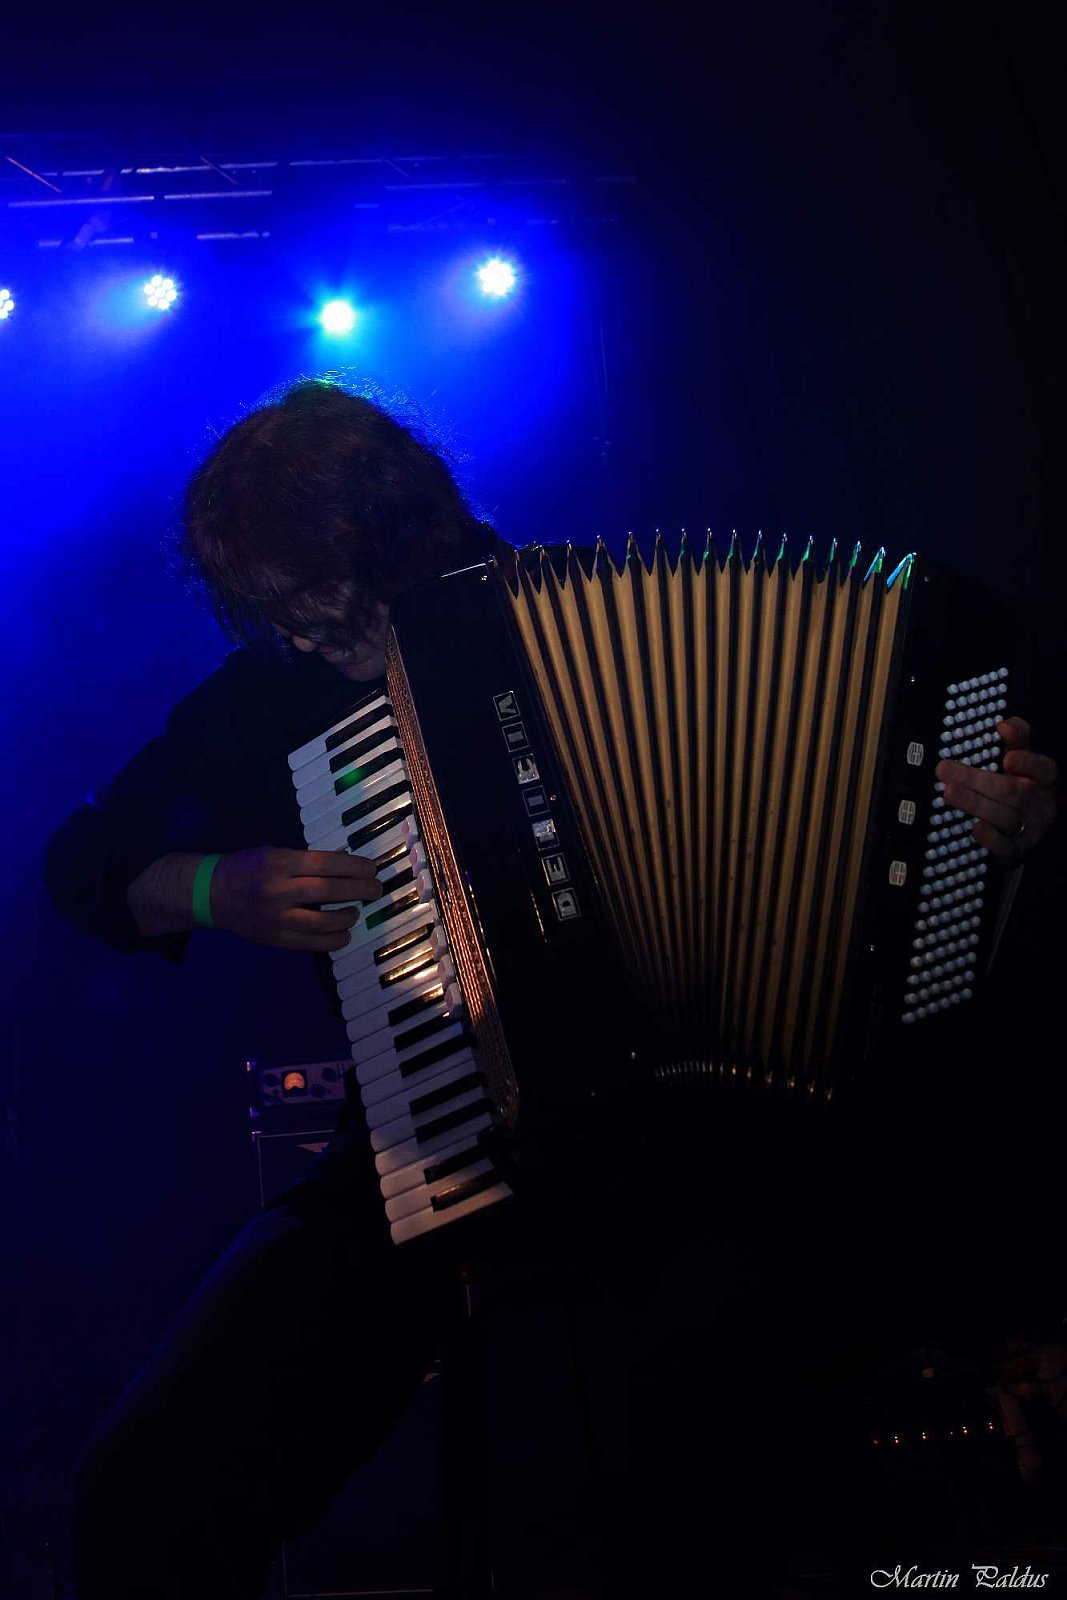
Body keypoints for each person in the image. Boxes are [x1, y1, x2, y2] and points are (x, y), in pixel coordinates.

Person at [46, 377, 1059, 1599]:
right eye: (273, 617)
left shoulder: (625, 618)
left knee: (684, 1468)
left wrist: (998, 838)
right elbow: (80, 866)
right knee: (143, 1490)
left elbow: (931, 919)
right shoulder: (270, 699)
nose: (298, 641)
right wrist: (212, 885)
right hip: (433, 1148)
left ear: (400, 542)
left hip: (721, 1156)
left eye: (314, 604)